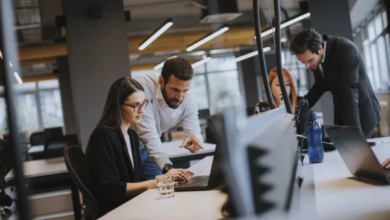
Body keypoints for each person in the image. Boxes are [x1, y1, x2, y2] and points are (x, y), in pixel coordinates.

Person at [86, 77, 194, 215]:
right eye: (135, 105)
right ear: (118, 105)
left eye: (144, 104)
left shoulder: (131, 135)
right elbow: (110, 188)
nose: (142, 110)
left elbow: (138, 179)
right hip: (117, 212)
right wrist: (156, 182)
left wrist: (167, 179)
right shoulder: (102, 135)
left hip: (132, 206)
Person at [289, 29, 381, 138]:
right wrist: (301, 106)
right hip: (342, 111)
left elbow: (349, 93)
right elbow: (321, 84)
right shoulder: (315, 59)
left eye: (309, 60)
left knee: (360, 151)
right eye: (303, 62)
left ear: (320, 48)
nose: (307, 66)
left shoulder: (346, 50)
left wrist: (355, 133)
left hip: (360, 112)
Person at [134, 56, 204, 180]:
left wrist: (195, 140)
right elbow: (148, 132)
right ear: (161, 81)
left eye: (185, 90)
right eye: (175, 90)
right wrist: (168, 168)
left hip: (149, 151)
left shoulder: (188, 98)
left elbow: (193, 127)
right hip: (126, 148)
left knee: (158, 189)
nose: (180, 97)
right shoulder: (143, 86)